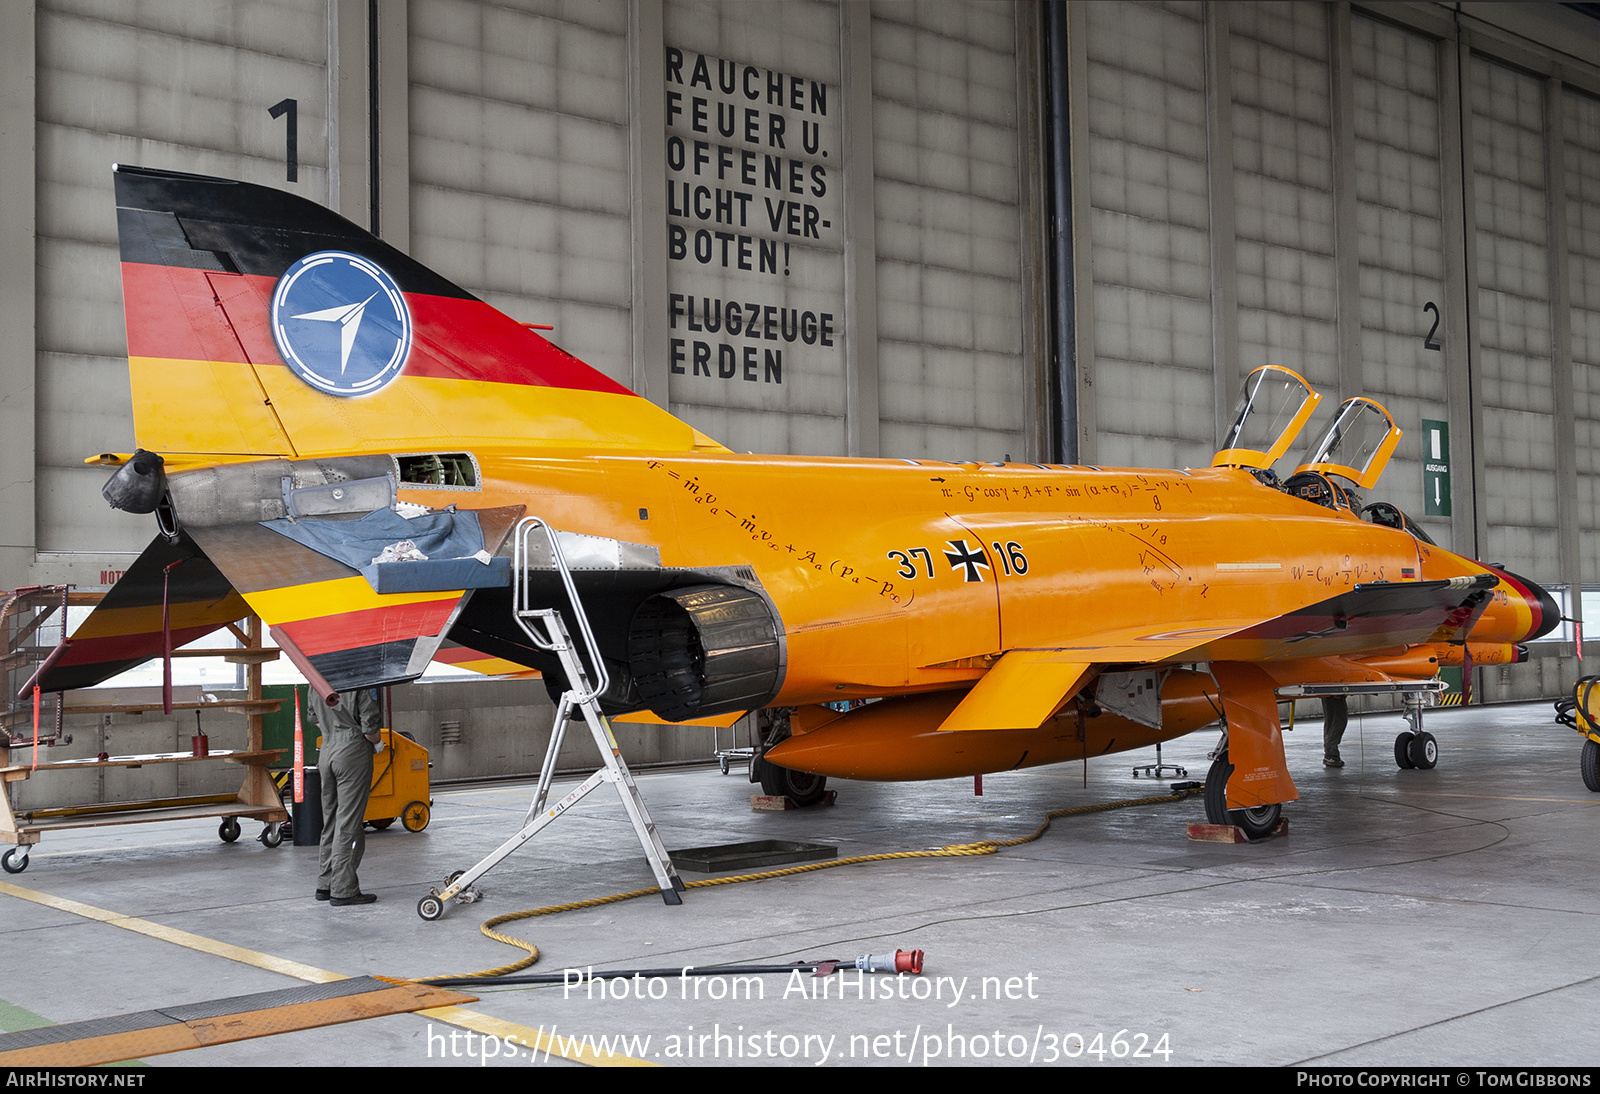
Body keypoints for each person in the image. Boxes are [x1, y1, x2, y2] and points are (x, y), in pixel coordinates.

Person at [308, 686, 384, 905]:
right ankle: (343, 889)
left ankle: (326, 883)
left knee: (330, 819)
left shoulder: (316, 680)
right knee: (348, 821)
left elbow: (314, 718)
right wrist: (378, 743)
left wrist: (334, 730)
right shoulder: (360, 682)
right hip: (352, 752)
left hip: (327, 749)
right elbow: (369, 728)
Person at [1323, 694, 1349, 768]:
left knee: (1331, 722)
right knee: (1338, 720)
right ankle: (1331, 755)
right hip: (1333, 693)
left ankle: (1330, 755)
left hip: (1329, 692)